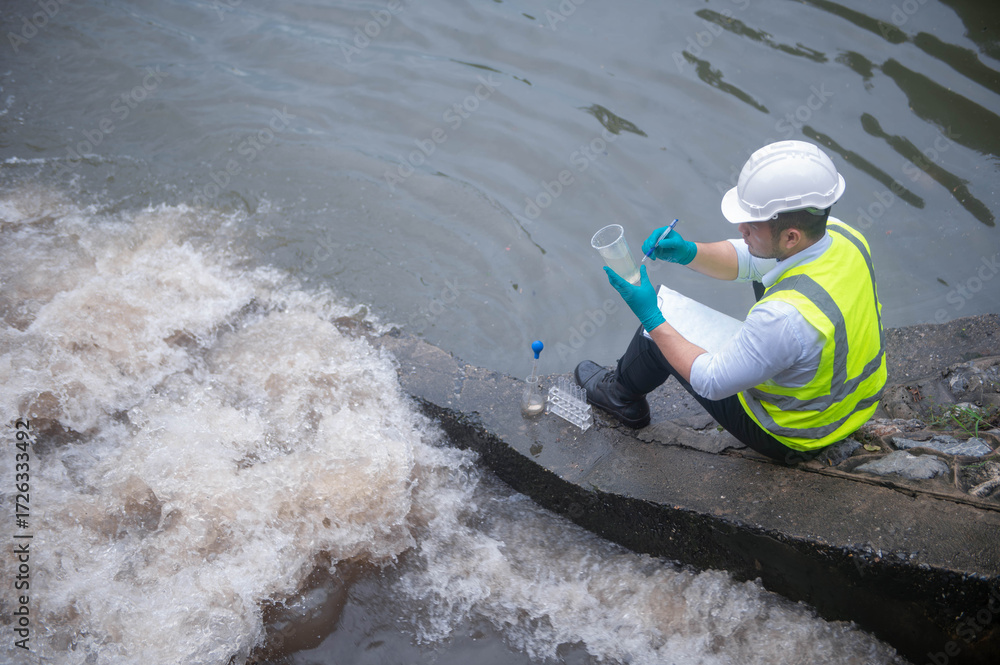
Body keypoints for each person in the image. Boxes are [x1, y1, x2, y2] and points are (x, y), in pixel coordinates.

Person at [575, 140, 887, 463]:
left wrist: (652, 316)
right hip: (856, 406)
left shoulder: (783, 318)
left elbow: (710, 381)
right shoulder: (843, 237)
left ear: (791, 236)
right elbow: (752, 259)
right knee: (760, 264)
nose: (741, 229)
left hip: (796, 434)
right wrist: (688, 252)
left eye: (752, 224)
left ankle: (621, 395)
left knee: (657, 331)